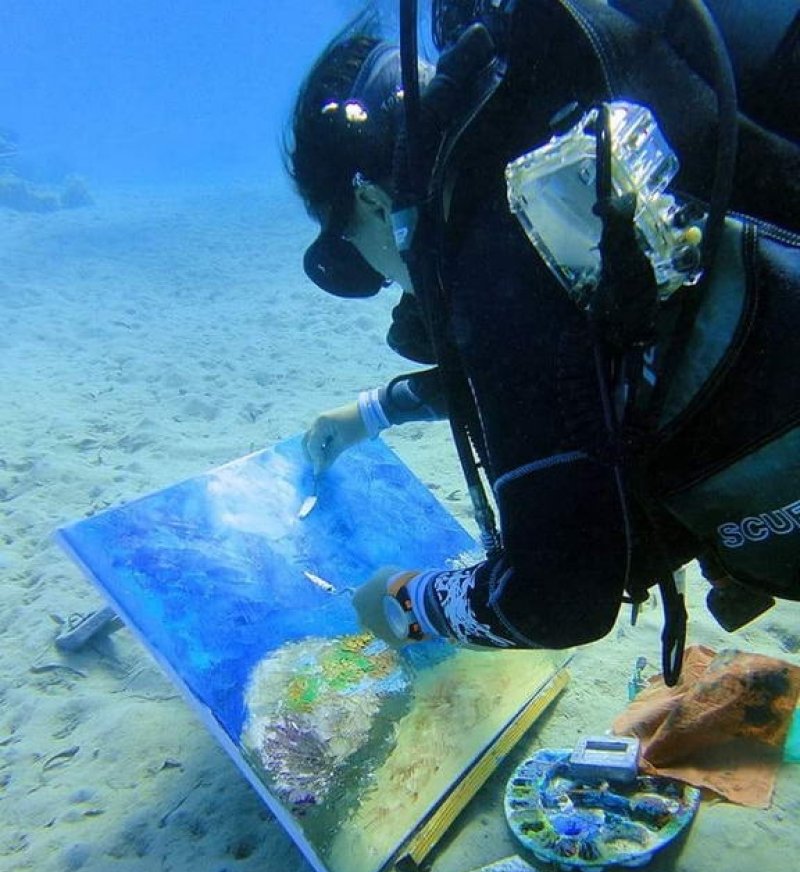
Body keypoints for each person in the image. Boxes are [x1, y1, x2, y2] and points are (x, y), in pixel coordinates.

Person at [286, 0, 800, 682]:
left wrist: (406, 602)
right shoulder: (537, 158)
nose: (380, 282)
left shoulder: (493, 248)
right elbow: (569, 365)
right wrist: (376, 411)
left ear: (373, 203)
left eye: (351, 246)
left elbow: (558, 597)